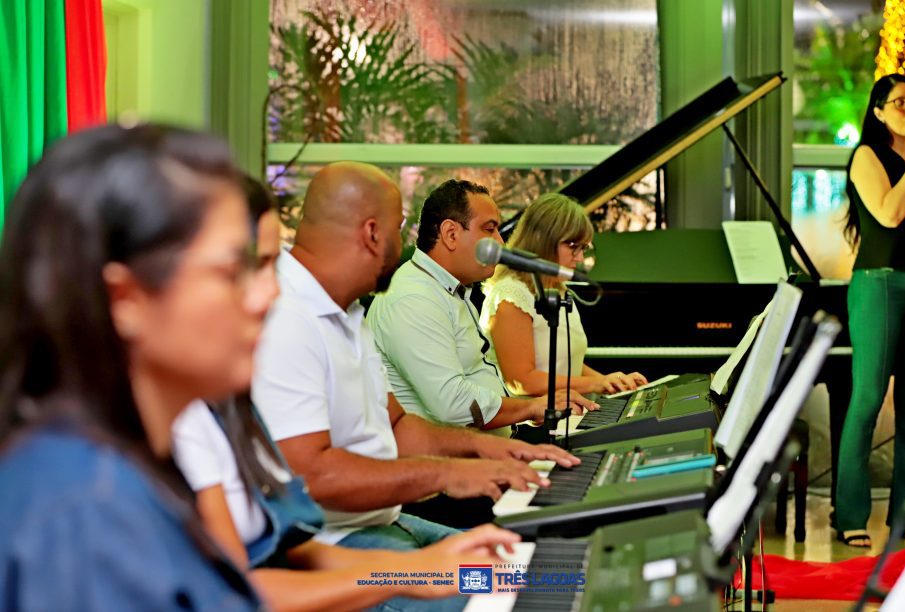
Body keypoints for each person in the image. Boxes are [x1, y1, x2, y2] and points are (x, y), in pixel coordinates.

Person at [173, 177, 519, 612]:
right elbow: (251, 580)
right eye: (245, 269)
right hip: (347, 538)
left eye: (268, 264)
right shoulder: (286, 324)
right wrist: (441, 490)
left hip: (367, 531)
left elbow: (280, 550)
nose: (269, 292)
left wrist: (423, 568)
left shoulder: (345, 313)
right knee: (507, 593)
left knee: (525, 574)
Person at [0, 124, 266, 610]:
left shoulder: (126, 468)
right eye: (233, 272)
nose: (266, 295)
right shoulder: (87, 517)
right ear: (125, 299)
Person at [251, 162, 581, 549]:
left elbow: (398, 426)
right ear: (373, 234)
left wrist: (488, 448)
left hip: (381, 520)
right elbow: (309, 476)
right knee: (517, 583)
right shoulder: (287, 316)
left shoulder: (345, 311)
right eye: (398, 227)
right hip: (335, 543)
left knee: (531, 567)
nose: (403, 242)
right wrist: (445, 474)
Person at [367, 179, 597, 434]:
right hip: (446, 467)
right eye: (489, 230)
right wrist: (528, 408)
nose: (499, 241)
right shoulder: (413, 299)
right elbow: (453, 404)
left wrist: (529, 411)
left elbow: (478, 380)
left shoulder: (449, 289)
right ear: (451, 234)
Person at [835, 73, 905, 548]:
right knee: (868, 399)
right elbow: (888, 213)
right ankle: (849, 512)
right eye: (901, 102)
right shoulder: (867, 156)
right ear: (879, 110)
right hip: (879, 284)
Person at [479, 192, 647, 397]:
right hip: (526, 423)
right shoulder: (510, 293)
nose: (580, 257)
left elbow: (568, 365)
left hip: (564, 412)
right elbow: (521, 382)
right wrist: (596, 384)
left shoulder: (558, 290)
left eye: (584, 248)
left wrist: (612, 382)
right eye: (573, 246)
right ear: (543, 241)